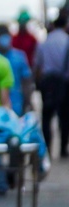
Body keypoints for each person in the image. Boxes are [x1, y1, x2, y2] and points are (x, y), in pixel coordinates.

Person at [39, 9, 69, 157]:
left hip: (48, 82)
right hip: (63, 83)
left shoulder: (45, 41)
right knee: (64, 117)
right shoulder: (66, 41)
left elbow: (37, 64)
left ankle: (48, 148)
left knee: (46, 117)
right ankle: (63, 148)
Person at [0, 22, 32, 116]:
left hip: (16, 104)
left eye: (6, 35)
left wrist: (27, 102)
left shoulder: (19, 56)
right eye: (1, 35)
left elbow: (26, 81)